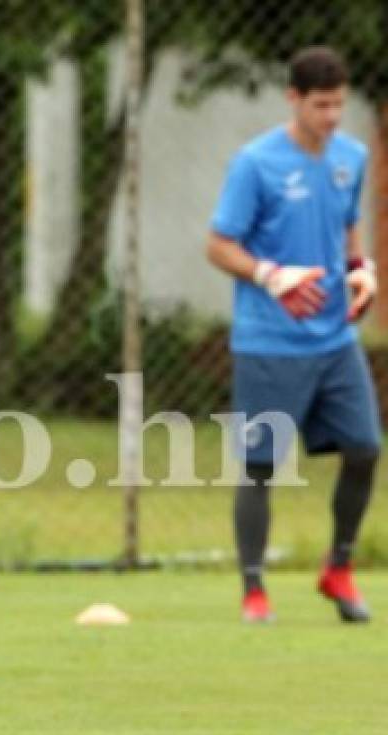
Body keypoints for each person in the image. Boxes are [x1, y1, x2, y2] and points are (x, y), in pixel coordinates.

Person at [207, 46, 380, 625]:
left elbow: (347, 227)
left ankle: (339, 568)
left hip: (334, 340)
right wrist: (269, 274)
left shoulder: (350, 158)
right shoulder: (256, 163)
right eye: (320, 105)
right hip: (268, 341)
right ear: (294, 100)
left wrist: (362, 271)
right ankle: (254, 591)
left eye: (338, 104)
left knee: (365, 449)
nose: (331, 117)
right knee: (260, 467)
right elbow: (219, 244)